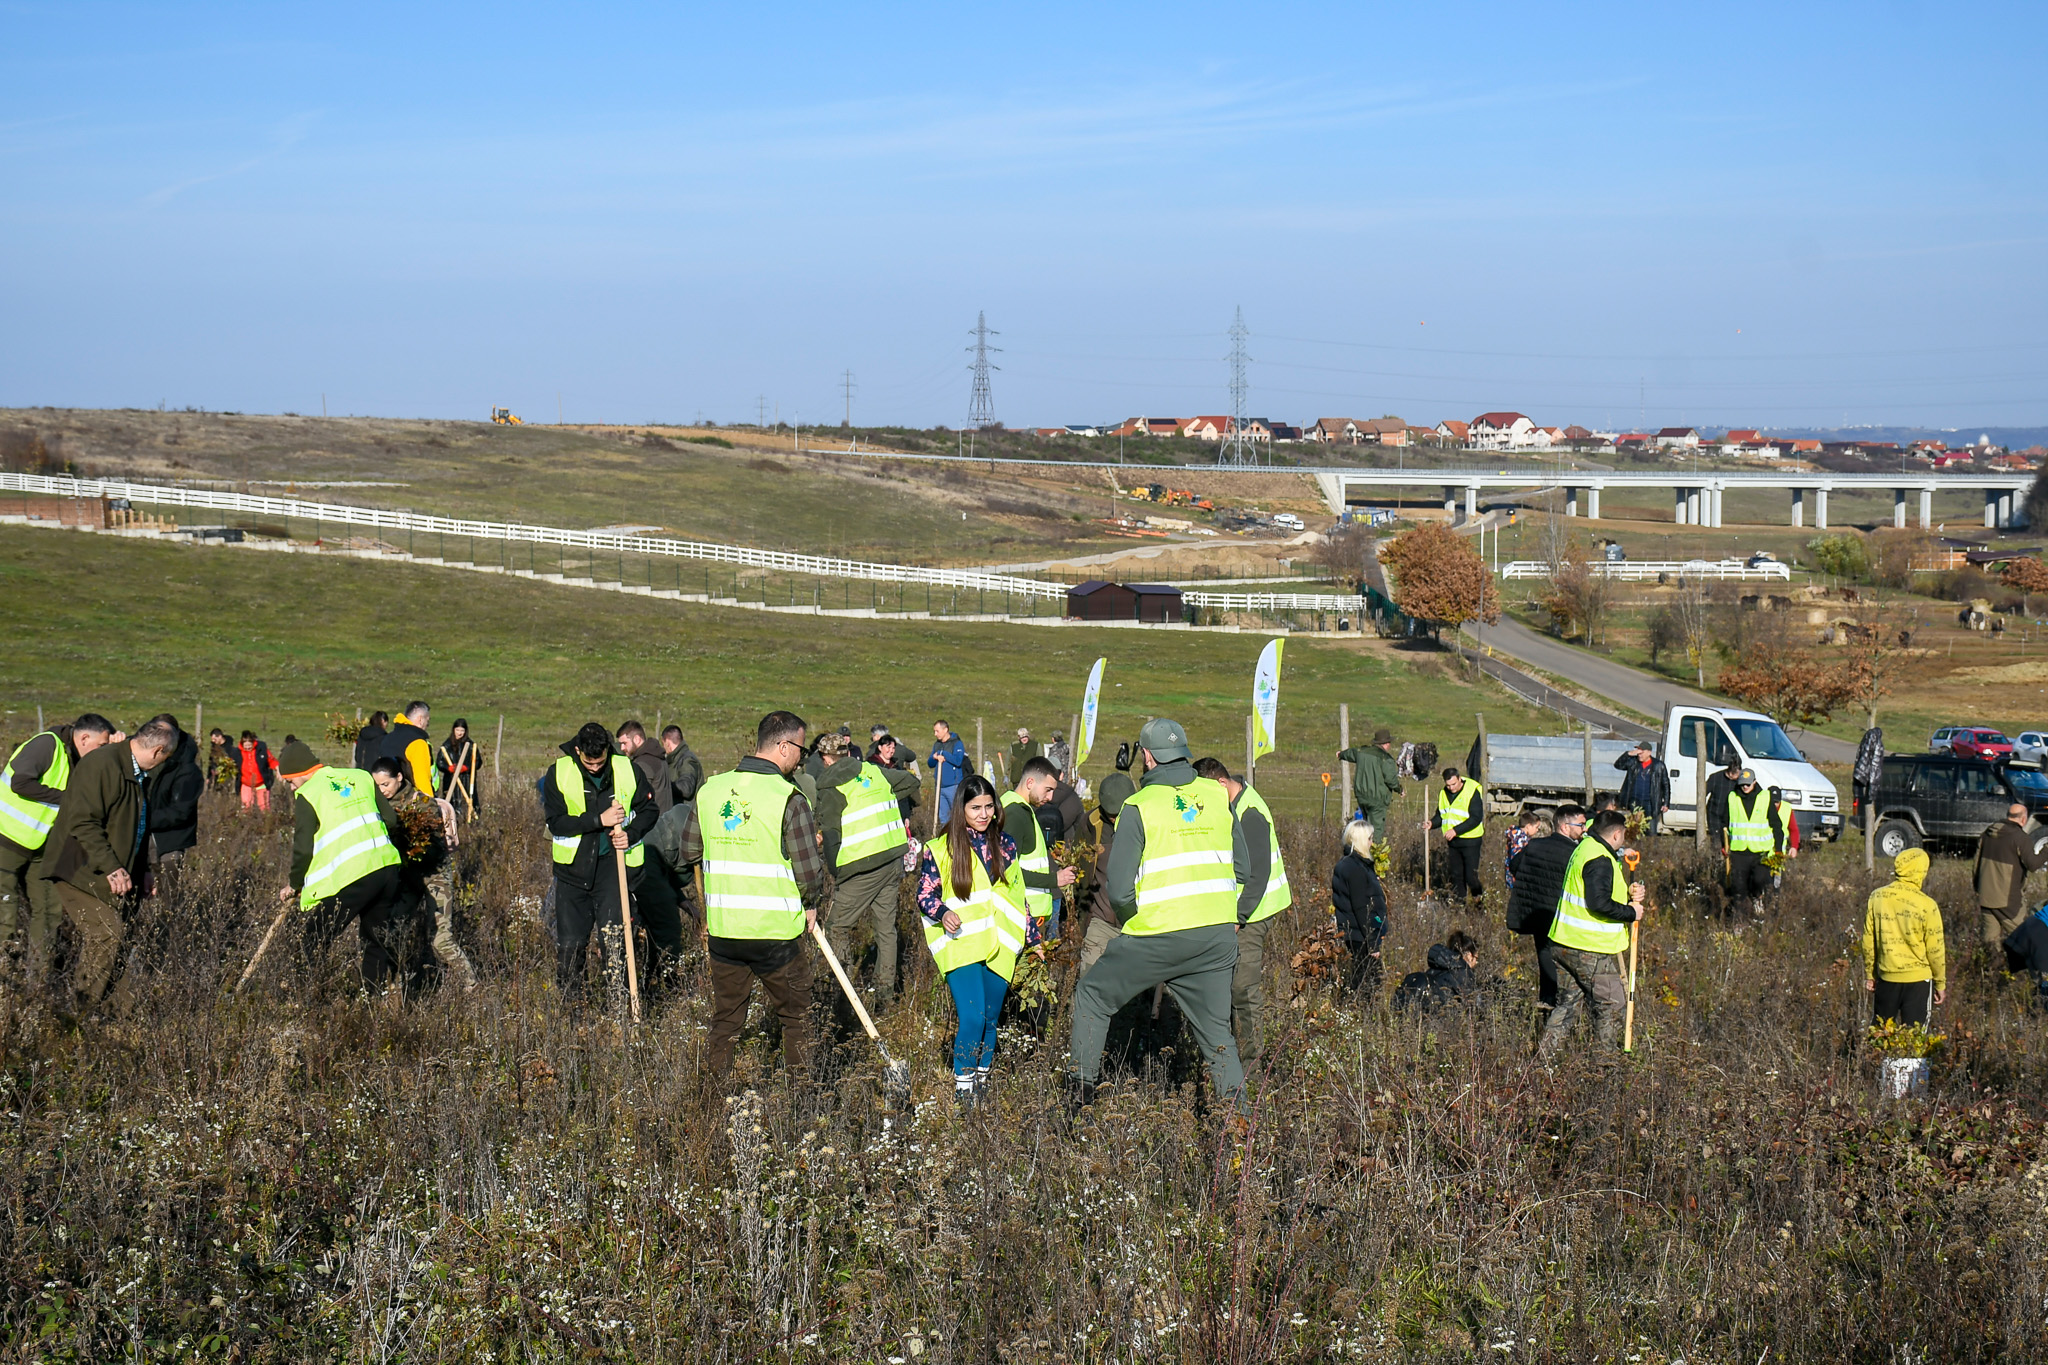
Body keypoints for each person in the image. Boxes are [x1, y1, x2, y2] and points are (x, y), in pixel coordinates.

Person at [1069, 717, 1250, 1102]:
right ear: (1183, 752)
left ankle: (1077, 1107)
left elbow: (1118, 890)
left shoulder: (1139, 805)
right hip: (1216, 938)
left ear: (1147, 757)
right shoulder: (1217, 796)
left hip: (1155, 936)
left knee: (1091, 997)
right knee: (1219, 1038)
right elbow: (1243, 870)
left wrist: (1136, 918)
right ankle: (1241, 1137)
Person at [675, 711, 827, 1078]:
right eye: (800, 751)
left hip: (725, 933)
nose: (801, 759)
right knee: (797, 1019)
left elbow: (688, 853)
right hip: (776, 936)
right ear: (784, 746)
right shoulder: (789, 798)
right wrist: (811, 905)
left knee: (726, 1022)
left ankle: (712, 1103)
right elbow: (808, 873)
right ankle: (801, 1104)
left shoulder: (711, 791)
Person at [39, 720, 178, 1017]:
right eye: (166, 758)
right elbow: (82, 822)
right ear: (157, 751)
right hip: (78, 867)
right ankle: (78, 1015)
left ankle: (119, 1017)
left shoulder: (138, 774)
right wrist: (113, 867)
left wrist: (144, 869)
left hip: (116, 871)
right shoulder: (102, 765)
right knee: (107, 933)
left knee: (122, 938)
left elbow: (137, 826)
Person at [914, 774, 1029, 1107]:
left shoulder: (1006, 844)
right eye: (975, 807)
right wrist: (941, 911)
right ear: (960, 808)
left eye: (989, 806)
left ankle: (981, 1082)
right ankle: (963, 1092)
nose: (984, 814)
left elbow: (1017, 893)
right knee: (973, 1018)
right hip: (962, 942)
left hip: (1001, 945)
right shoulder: (942, 848)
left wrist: (1031, 938)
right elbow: (924, 894)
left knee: (991, 1017)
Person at [540, 722, 659, 1010]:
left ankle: (619, 1011)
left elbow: (649, 810)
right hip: (572, 874)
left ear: (608, 750)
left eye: (600, 762)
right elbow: (556, 822)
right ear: (578, 751)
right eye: (588, 762)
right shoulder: (559, 772)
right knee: (570, 947)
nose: (594, 768)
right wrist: (598, 820)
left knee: (615, 945)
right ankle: (573, 1013)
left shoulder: (627, 770)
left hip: (613, 872)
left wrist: (630, 834)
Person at [275, 740, 407, 993]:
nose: (292, 788)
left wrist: (295, 884)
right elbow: (390, 819)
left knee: (312, 939)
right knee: (375, 941)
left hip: (353, 878)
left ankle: (305, 999)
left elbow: (303, 849)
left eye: (291, 781)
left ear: (302, 773)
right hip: (386, 869)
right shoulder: (361, 776)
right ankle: (374, 1000)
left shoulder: (308, 795)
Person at [1193, 757, 1292, 1072]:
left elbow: (1258, 874)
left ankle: (1251, 1068)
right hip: (1236, 914)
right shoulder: (1232, 803)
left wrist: (1239, 917)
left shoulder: (1250, 814)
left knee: (1243, 988)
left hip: (1252, 915)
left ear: (1222, 784)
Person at [0, 714, 117, 976]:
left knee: (49, 912)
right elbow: (20, 783)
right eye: (101, 745)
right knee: (5, 911)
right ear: (84, 738)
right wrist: (67, 798)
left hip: (42, 849)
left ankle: (37, 982)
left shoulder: (82, 760)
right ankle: (6, 980)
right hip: (5, 840)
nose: (102, 751)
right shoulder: (46, 744)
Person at [814, 730, 919, 1002]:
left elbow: (832, 834)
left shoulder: (829, 786)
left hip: (860, 866)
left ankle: (846, 992)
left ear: (826, 759)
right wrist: (887, 797)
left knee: (836, 928)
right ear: (847, 753)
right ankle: (884, 995)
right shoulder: (871, 771)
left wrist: (836, 871)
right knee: (886, 929)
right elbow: (910, 781)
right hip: (891, 859)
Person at [1536, 809, 1646, 1059]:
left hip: (1563, 942)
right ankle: (1604, 1065)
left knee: (1567, 1004)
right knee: (1611, 1004)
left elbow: (1597, 889)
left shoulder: (1586, 848)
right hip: (1588, 948)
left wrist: (1628, 893)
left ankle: (1544, 1062)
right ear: (1617, 834)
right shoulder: (1599, 859)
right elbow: (1598, 902)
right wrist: (1631, 912)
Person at [369, 756, 476, 993]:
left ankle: (472, 988)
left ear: (399, 778)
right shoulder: (376, 806)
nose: (381, 790)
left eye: (385, 784)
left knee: (441, 940)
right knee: (392, 933)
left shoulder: (422, 804)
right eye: (377, 786)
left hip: (434, 875)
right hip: (406, 878)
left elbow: (431, 850)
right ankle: (394, 989)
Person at [615, 720, 689, 984]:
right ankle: (657, 974)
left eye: (624, 742)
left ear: (637, 740)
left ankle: (656, 979)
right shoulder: (659, 760)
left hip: (646, 844)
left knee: (650, 919)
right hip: (661, 841)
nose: (621, 748)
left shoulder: (641, 766)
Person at [1507, 804, 1583, 1020]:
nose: (1584, 829)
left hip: (1537, 915)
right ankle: (1561, 1011)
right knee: (1565, 968)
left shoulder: (1535, 845)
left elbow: (1515, 866)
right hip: (1563, 918)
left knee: (1545, 960)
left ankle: (1547, 1004)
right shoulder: (1575, 853)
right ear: (1565, 826)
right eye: (1581, 824)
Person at [1863, 847, 1945, 1028]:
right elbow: (1935, 950)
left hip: (1886, 978)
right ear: (1921, 871)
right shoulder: (1927, 905)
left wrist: (1871, 974)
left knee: (1880, 1037)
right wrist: (1940, 983)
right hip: (1919, 982)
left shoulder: (1877, 897)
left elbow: (1869, 941)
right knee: (1914, 1042)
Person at [1001, 757, 1078, 942]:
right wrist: (1055, 879)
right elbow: (1007, 870)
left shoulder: (1017, 807)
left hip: (1026, 915)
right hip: (1026, 918)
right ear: (1030, 782)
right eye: (1048, 790)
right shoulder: (1015, 815)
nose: (1050, 798)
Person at [1078, 773, 1136, 972]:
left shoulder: (1147, 823)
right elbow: (1080, 869)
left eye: (1118, 812)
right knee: (1089, 979)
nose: (1114, 817)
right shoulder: (1090, 824)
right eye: (1109, 812)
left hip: (1138, 922)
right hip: (1101, 920)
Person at [140, 713, 203, 890]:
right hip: (140, 839)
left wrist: (143, 818)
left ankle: (169, 919)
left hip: (170, 841)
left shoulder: (187, 769)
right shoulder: (140, 757)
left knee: (168, 895)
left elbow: (181, 810)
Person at [1974, 804, 2047, 948]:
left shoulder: (1987, 834)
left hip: (1985, 897)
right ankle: (2037, 969)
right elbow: (2033, 865)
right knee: (2027, 940)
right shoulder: (2020, 838)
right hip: (2008, 900)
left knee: (1990, 942)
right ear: (2024, 819)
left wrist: (1978, 890)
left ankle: (1990, 968)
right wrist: (2046, 850)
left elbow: (1976, 864)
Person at [1331, 819, 1387, 994]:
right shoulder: (1355, 868)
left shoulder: (1352, 864)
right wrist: (1372, 943)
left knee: (1363, 977)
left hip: (1357, 932)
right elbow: (1361, 908)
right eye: (1370, 838)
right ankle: (1360, 1013)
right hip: (1361, 935)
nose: (1372, 842)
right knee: (1368, 982)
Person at [1721, 768, 1785, 917]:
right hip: (1739, 852)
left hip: (1760, 852)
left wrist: (1778, 849)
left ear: (1754, 783)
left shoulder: (1765, 797)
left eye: (1748, 784)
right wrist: (1723, 845)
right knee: (1738, 888)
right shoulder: (1732, 797)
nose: (1745, 787)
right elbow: (1724, 823)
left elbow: (1776, 825)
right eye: (1742, 784)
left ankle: (1757, 897)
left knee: (1759, 880)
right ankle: (1740, 920)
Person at [1432, 767, 1487, 905]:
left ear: (1460, 779)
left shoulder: (1472, 792)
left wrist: (1455, 830)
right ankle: (1459, 905)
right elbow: (1442, 815)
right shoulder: (1444, 793)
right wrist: (1431, 823)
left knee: (1471, 876)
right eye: (1448, 785)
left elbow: (1476, 818)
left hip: (1471, 841)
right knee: (1457, 876)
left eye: (1454, 784)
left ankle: (1478, 900)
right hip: (1453, 842)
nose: (1451, 788)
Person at [1393, 930, 1484, 1013]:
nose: (1476, 963)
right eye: (1476, 958)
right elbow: (1474, 1006)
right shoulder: (1463, 972)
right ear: (1468, 955)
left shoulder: (1437, 967)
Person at [1337, 726, 1403, 832]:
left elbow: (1351, 753)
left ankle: (1360, 847)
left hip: (1362, 797)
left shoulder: (1362, 752)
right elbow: (1391, 780)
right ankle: (1374, 847)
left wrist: (1341, 754)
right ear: (1386, 744)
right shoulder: (1386, 758)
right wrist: (1399, 789)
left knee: (1364, 827)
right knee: (1375, 830)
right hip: (1377, 799)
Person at [1612, 740, 1670, 835]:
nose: (1639, 754)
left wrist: (1666, 803)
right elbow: (1617, 765)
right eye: (1638, 751)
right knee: (1634, 830)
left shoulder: (1658, 765)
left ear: (1649, 752)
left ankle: (1649, 848)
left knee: (1650, 831)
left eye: (1642, 752)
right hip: (1635, 802)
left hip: (1651, 803)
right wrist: (1628, 754)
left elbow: (1666, 784)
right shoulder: (1633, 763)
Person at [380, 701, 435, 796]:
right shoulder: (417, 742)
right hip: (408, 801)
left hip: (385, 797)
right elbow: (422, 780)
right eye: (427, 721)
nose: (427, 725)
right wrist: (430, 804)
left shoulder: (387, 738)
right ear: (421, 720)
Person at [2000, 904, 2048, 1009]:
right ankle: (2036, 1013)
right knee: (2044, 991)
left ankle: (2034, 1011)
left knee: (2041, 986)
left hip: (2025, 931)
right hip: (2040, 936)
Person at [436, 718, 479, 820]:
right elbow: (440, 762)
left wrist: (467, 768)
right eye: (457, 730)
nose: (459, 733)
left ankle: (469, 819)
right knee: (452, 802)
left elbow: (477, 761)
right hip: (451, 780)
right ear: (453, 730)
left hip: (466, 780)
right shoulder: (446, 745)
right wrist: (448, 768)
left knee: (468, 801)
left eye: (462, 731)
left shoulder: (471, 745)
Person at [928, 720, 969, 825]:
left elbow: (958, 760)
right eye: (934, 731)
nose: (935, 734)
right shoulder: (937, 744)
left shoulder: (957, 743)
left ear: (945, 730)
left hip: (953, 786)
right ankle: (944, 838)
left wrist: (943, 753)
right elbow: (930, 763)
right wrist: (935, 757)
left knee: (957, 814)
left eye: (937, 731)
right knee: (943, 817)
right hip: (939, 786)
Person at [1703, 752, 1746, 848]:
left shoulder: (1742, 781)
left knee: (1731, 842)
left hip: (1732, 817)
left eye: (1735, 773)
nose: (1732, 776)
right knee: (1716, 842)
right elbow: (1703, 794)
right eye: (1731, 772)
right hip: (1715, 814)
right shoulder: (1715, 778)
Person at [659, 725, 705, 805]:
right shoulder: (673, 761)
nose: (664, 748)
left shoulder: (687, 760)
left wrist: (664, 784)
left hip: (687, 814)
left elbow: (686, 788)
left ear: (667, 742)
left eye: (663, 744)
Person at [1504, 809, 1543, 890]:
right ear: (1528, 826)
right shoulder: (1520, 840)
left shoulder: (1515, 835)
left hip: (1511, 875)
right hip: (1516, 877)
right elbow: (1518, 860)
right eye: (1536, 827)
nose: (1537, 830)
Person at [237, 731, 277, 810]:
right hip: (246, 784)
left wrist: (278, 770)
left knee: (264, 808)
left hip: (261, 784)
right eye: (246, 746)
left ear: (253, 743)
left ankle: (266, 821)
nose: (248, 748)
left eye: (249, 745)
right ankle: (246, 821)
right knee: (246, 808)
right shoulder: (237, 752)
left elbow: (272, 760)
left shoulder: (261, 749)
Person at [205, 728, 237, 792]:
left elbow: (232, 763)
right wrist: (208, 777)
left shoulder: (230, 749)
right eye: (212, 739)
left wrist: (222, 770)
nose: (213, 741)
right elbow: (211, 763)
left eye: (215, 739)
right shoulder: (213, 748)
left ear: (220, 736)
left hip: (226, 777)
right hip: (214, 777)